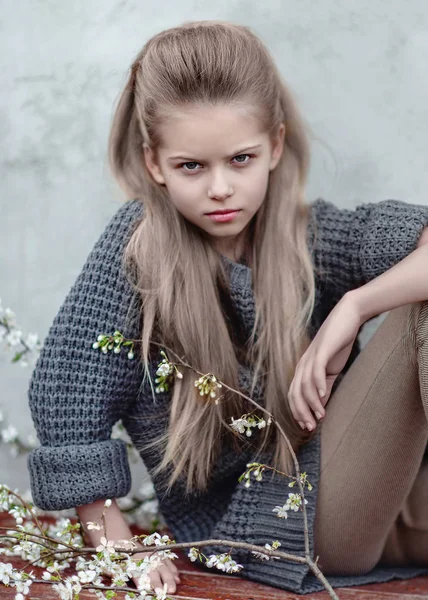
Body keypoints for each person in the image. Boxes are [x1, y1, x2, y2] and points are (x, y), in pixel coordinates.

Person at [27, 19, 428, 596]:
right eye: (193, 166)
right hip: (288, 525)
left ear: (275, 146)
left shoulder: (306, 235)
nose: (221, 188)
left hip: (394, 507)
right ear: (156, 165)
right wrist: (115, 541)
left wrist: (356, 306)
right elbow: (65, 394)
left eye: (240, 159)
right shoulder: (139, 248)